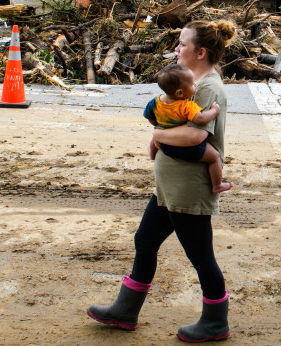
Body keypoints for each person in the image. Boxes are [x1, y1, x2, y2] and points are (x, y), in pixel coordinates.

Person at [88, 20, 236, 342]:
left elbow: (196, 134)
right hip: (169, 188)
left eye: (182, 44)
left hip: (188, 190)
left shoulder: (208, 88)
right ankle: (125, 310)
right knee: (145, 240)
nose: (176, 49)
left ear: (200, 52)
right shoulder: (186, 83)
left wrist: (157, 134)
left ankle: (215, 321)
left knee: (200, 256)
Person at [144, 63, 232, 194]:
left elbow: (149, 117)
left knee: (155, 135)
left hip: (164, 145)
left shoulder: (155, 102)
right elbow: (200, 119)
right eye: (192, 84)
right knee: (215, 157)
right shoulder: (186, 106)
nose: (195, 85)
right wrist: (214, 111)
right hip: (184, 146)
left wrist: (159, 126)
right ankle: (217, 185)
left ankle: (152, 154)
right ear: (180, 93)